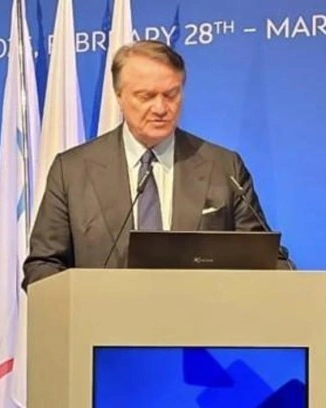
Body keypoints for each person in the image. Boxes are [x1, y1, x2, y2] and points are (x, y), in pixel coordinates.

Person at [23, 40, 291, 289]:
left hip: (200, 322)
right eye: (146, 96)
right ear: (119, 96)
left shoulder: (223, 167)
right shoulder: (72, 170)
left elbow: (264, 259)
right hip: (101, 322)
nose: (161, 108)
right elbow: (43, 265)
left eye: (171, 94)